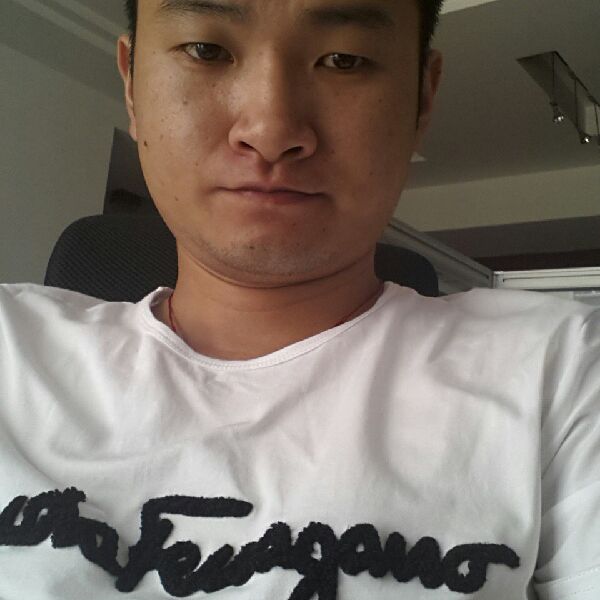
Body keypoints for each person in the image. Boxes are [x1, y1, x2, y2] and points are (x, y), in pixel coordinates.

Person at [0, 0, 598, 598]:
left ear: (422, 99)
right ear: (132, 86)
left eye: (344, 60)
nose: (270, 131)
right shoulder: (11, 349)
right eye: (207, 50)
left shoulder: (561, 370)